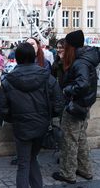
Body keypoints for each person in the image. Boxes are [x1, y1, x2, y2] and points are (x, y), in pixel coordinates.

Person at [0, 42, 63, 188]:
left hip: (21, 127)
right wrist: (48, 116)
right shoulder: (47, 77)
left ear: (17, 58)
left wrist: (14, 118)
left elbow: (2, 107)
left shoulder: (8, 80)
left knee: (24, 163)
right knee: (32, 159)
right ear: (33, 57)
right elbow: (59, 104)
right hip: (41, 126)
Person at [52, 30, 100, 184]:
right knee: (80, 139)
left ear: (71, 46)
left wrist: (67, 90)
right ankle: (85, 170)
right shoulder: (86, 59)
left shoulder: (79, 62)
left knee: (69, 140)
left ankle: (68, 173)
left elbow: (83, 84)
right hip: (84, 105)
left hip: (75, 106)